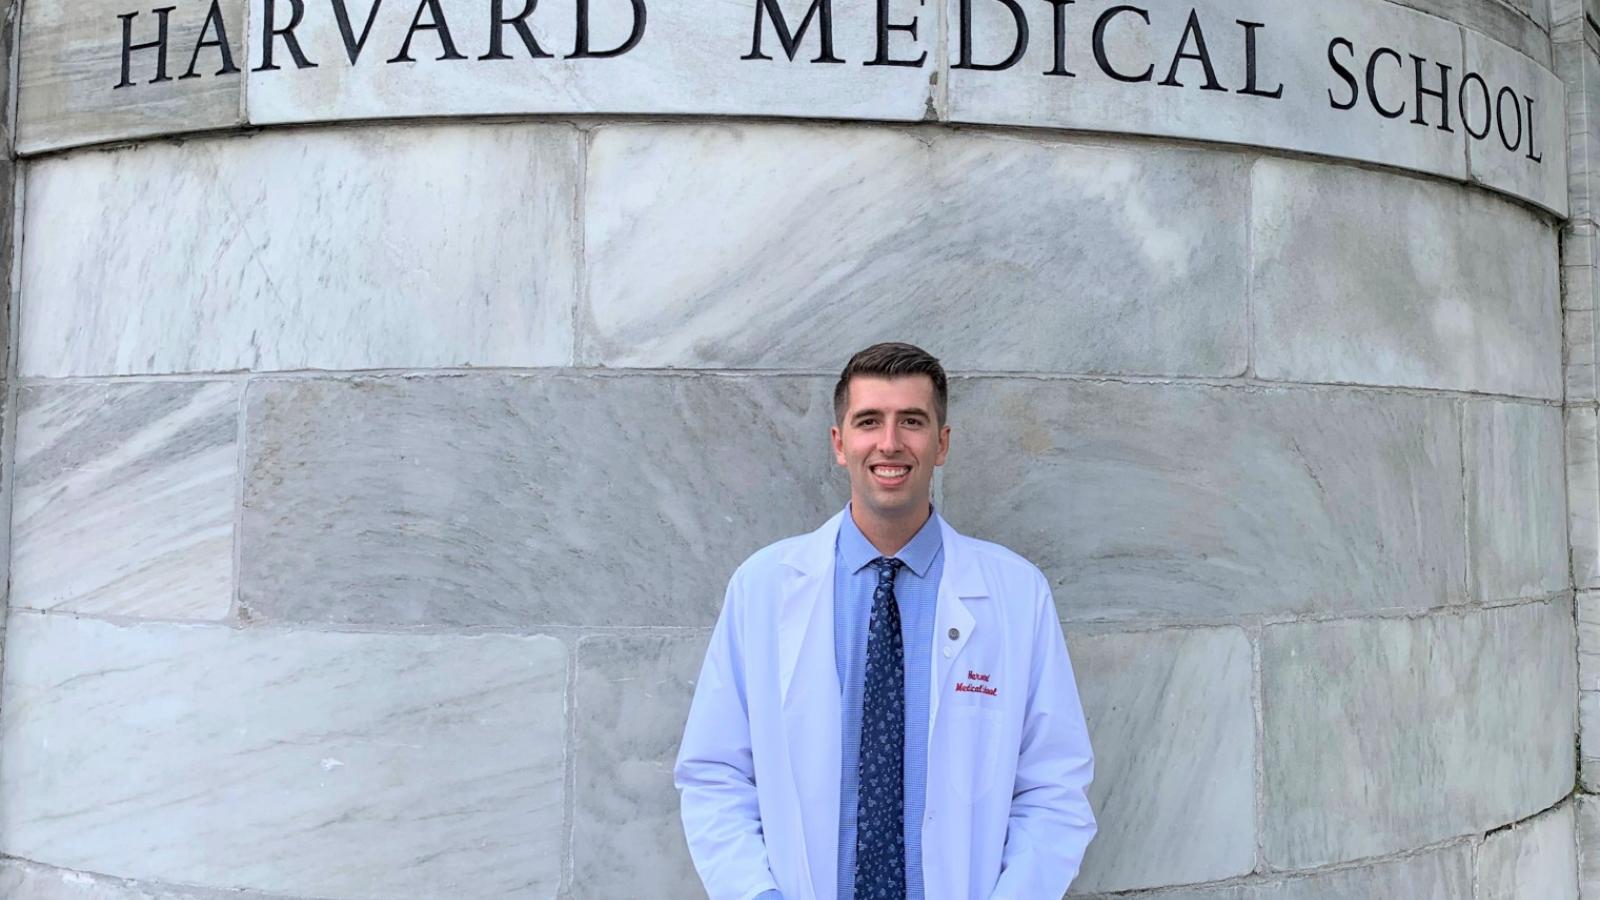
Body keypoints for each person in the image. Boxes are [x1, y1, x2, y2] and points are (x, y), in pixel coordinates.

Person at [675, 342, 1096, 900]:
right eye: (869, 421)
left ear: (941, 443)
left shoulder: (1016, 594)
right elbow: (714, 775)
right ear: (839, 442)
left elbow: (1054, 787)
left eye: (913, 422)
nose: (890, 443)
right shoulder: (763, 587)